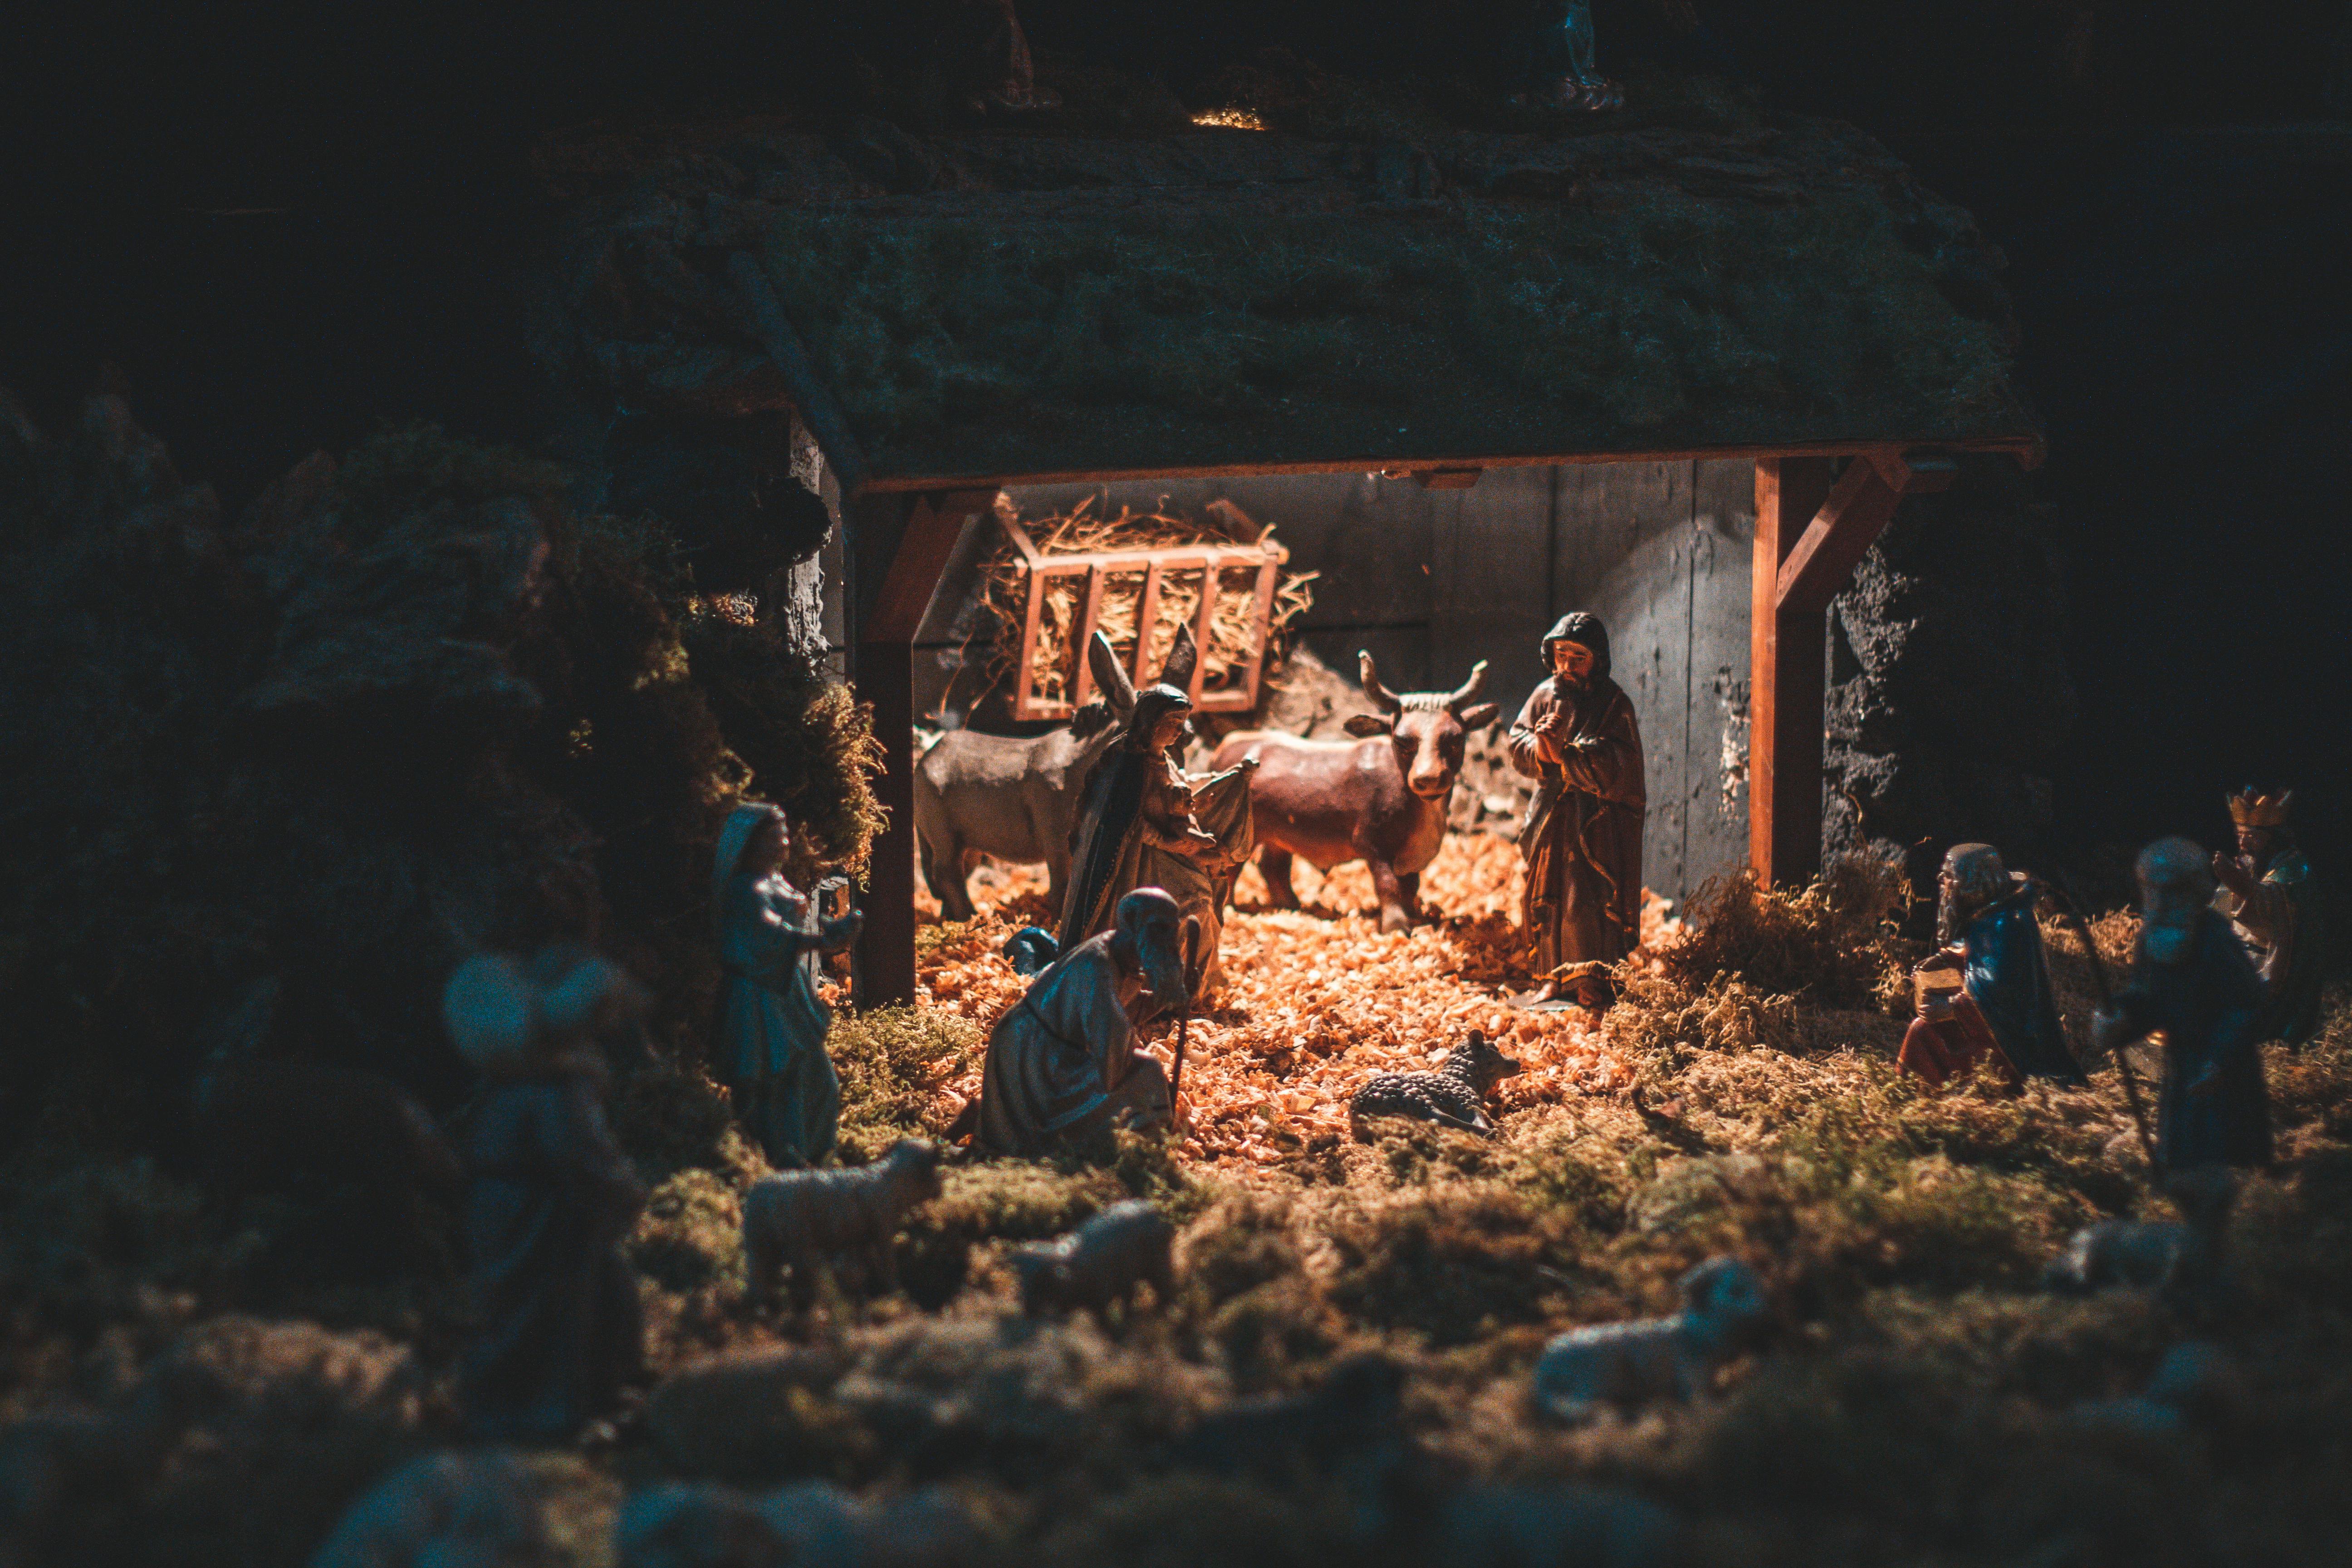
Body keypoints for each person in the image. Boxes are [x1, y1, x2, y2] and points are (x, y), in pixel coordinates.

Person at [445, 949, 648, 1443]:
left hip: (514, 1202)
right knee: (545, 1309)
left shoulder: (519, 1082)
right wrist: (623, 1189)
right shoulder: (556, 1088)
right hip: (538, 1211)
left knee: (583, 1298)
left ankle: (586, 1394)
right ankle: (542, 1412)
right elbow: (582, 1154)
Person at [1059, 628, 1252, 995]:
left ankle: (1193, 982)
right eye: (1173, 725)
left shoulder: (1162, 760)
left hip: (1170, 856)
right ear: (1150, 723)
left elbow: (1182, 788)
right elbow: (1123, 826)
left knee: (1208, 893)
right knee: (1194, 906)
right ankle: (1160, 987)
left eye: (1182, 726)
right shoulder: (1128, 766)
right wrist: (1170, 844)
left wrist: (1228, 780)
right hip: (1137, 867)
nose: (1178, 733)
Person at [2095, 838, 2272, 1173]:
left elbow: (2245, 1005)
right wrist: (2121, 1018)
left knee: (2227, 1148)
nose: (2161, 901)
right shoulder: (2151, 941)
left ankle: (2238, 1186)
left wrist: (2219, 1059)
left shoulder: (2215, 940)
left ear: (2195, 892)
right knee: (2184, 1142)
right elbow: (2148, 1000)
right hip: (2183, 1060)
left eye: (2172, 891)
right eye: (2153, 891)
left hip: (2222, 1068)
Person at [979, 888, 1186, 1156]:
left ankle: (1133, 1145)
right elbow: (1111, 1055)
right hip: (1033, 1054)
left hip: (1055, 1049)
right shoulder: (1097, 964)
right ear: (1132, 924)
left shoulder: (1123, 959)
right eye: (1159, 929)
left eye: (1172, 931)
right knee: (1146, 1071)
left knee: (1142, 1071)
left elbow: (1123, 1013)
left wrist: (1167, 996)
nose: (1167, 941)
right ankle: (1140, 1153)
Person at [1507, 612, 1645, 1008]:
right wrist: (1541, 748)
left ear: (1597, 659)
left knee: (1582, 900)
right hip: (1551, 816)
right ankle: (1549, 978)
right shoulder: (1544, 695)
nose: (1567, 666)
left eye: (1578, 658)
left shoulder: (1614, 704)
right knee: (1544, 897)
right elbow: (1517, 743)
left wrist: (1566, 754)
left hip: (1595, 822)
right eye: (1561, 655)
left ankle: (1591, 979)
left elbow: (1623, 764)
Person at [712, 803, 862, 1170]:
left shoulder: (774, 880)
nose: (784, 842)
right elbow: (770, 933)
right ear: (751, 842)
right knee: (779, 1076)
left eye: (784, 834)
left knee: (815, 1076)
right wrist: (820, 941)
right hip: (760, 995)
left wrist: (826, 929)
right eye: (774, 835)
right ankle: (785, 1156)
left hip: (787, 986)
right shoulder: (747, 889)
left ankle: (816, 1150)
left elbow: (790, 924)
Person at [1906, 843, 2086, 1087]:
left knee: (1922, 1033)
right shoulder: (1988, 915)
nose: (1941, 879)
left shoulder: (2008, 924)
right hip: (1988, 1026)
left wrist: (1950, 1007)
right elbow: (1975, 952)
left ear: (1972, 883)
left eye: (1949, 875)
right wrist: (1946, 959)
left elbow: (2002, 993)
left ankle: (1938, 1091)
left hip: (2014, 1047)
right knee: (1923, 1030)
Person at [2213, 789, 2326, 1049]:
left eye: (2251, 837)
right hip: (2242, 957)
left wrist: (2244, 887)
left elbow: (2278, 911)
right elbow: (2221, 907)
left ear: (2274, 839)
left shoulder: (2295, 870)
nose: (2243, 845)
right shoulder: (2252, 861)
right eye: (2240, 836)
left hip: (2275, 969)